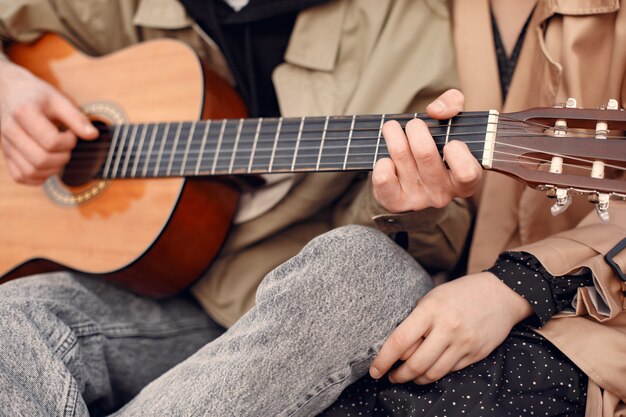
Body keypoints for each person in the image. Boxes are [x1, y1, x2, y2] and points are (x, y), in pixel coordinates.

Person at [0, 1, 624, 417]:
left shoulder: (407, 19)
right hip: (149, 291)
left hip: (284, 302)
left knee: (367, 270)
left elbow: (430, 238)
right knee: (15, 318)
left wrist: (406, 207)